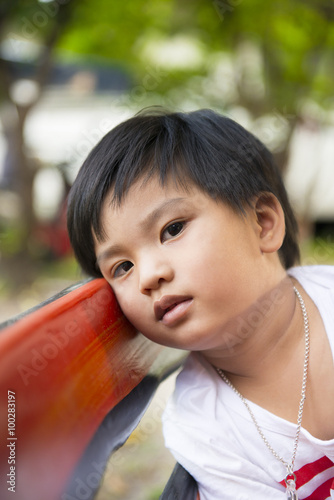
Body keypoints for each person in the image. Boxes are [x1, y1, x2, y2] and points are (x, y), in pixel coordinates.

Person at [66, 108, 334, 499]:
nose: (148, 276)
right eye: (122, 266)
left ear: (262, 222)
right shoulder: (202, 429)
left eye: (172, 229)